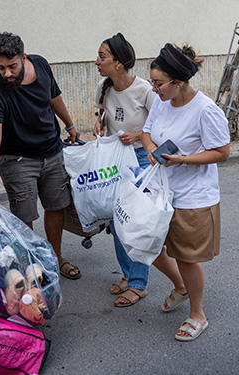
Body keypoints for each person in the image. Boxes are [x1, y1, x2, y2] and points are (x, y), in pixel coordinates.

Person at [0, 32, 82, 280]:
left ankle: (54, 257)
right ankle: (32, 264)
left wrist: (69, 124)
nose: (7, 73)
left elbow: (53, 96)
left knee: (56, 206)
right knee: (25, 217)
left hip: (52, 150)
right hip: (17, 158)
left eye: (12, 66)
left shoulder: (41, 64)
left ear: (23, 57)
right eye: (1, 67)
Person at [141, 43, 230, 341]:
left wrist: (183, 160)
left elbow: (222, 152)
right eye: (152, 82)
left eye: (158, 83)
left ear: (178, 82)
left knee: (185, 257)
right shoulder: (162, 103)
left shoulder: (206, 110)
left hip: (192, 196)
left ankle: (197, 314)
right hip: (160, 191)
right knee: (148, 246)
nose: (154, 89)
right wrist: (152, 150)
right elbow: (146, 132)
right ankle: (180, 286)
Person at [92, 32, 157, 307]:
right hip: (114, 159)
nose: (97, 61)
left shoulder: (145, 90)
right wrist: (99, 123)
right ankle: (129, 275)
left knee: (135, 222)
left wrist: (138, 135)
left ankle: (139, 284)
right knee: (116, 220)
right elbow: (103, 112)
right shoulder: (104, 86)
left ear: (119, 63)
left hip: (140, 159)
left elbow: (161, 128)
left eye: (102, 56)